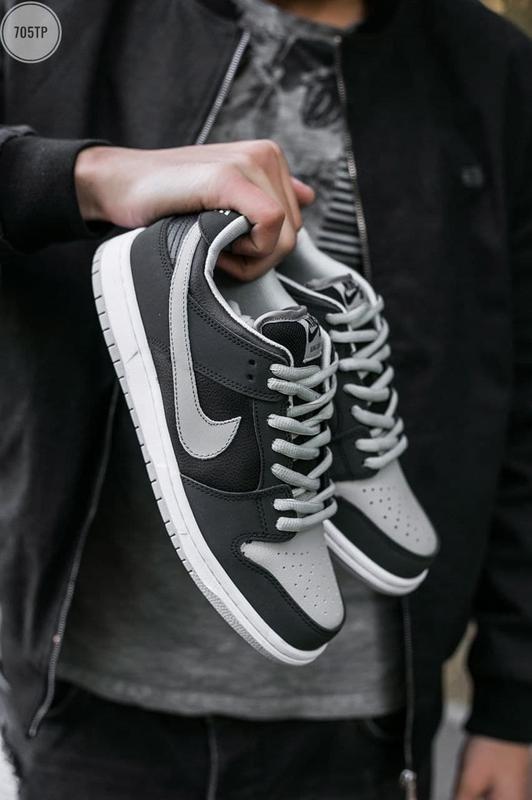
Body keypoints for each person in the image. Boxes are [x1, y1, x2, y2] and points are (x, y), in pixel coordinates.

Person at [0, 0, 531, 798]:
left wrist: (514, 702)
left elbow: (522, 394)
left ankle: (268, 332)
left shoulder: (492, 64)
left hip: (363, 719)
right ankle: (177, 282)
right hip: (89, 697)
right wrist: (90, 176)